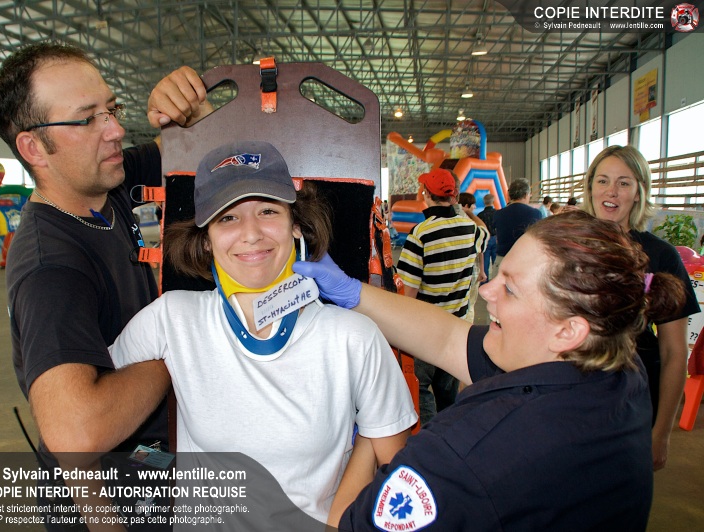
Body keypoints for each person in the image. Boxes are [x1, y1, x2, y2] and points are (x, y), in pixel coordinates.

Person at [294, 210, 687, 530]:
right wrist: (353, 292)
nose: (485, 291)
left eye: (510, 289)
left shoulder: (464, 454)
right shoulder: (618, 365)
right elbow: (449, 340)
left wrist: (372, 432)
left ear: (569, 330)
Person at [109, 140, 416, 526]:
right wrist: (157, 472)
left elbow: (396, 476)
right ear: (206, 239)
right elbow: (95, 417)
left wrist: (338, 519)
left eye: (268, 210)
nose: (251, 233)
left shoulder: (353, 338)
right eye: (227, 218)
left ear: (296, 224)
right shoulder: (171, 320)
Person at [0, 41, 214, 528]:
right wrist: (177, 346)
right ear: (33, 148)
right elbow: (75, 432)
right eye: (87, 119)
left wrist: (192, 107)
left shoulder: (106, 185)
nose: (115, 130)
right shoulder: (51, 268)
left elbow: (203, 147)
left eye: (111, 109)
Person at [582, 144, 699, 471]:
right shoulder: (568, 246)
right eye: (603, 180)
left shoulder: (660, 256)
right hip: (570, 395)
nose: (611, 191)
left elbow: (674, 351)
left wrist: (662, 433)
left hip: (633, 400)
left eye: (624, 183)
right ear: (590, 187)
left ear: (639, 192)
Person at [396, 169, 487, 422]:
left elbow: (408, 292)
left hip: (426, 327)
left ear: (426, 194)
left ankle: (429, 435)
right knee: (448, 391)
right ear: (454, 196)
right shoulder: (471, 230)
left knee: (422, 389)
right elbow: (484, 233)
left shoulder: (421, 233)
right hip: (456, 326)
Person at [490, 177, 541, 279]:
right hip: (525, 260)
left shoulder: (498, 214)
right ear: (526, 194)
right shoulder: (535, 213)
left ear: (509, 195)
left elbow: (495, 232)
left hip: (503, 258)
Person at [458, 192, 488, 324]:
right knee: (470, 304)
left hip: (458, 270)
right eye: (473, 205)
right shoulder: (472, 224)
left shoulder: (451, 222)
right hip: (472, 269)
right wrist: (482, 270)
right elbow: (482, 244)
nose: (475, 207)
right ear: (466, 206)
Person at [476, 193, 496, 281]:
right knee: (496, 263)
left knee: (484, 263)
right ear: (493, 201)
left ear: (484, 202)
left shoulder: (480, 215)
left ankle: (484, 282)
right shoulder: (497, 213)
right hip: (496, 238)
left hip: (484, 240)